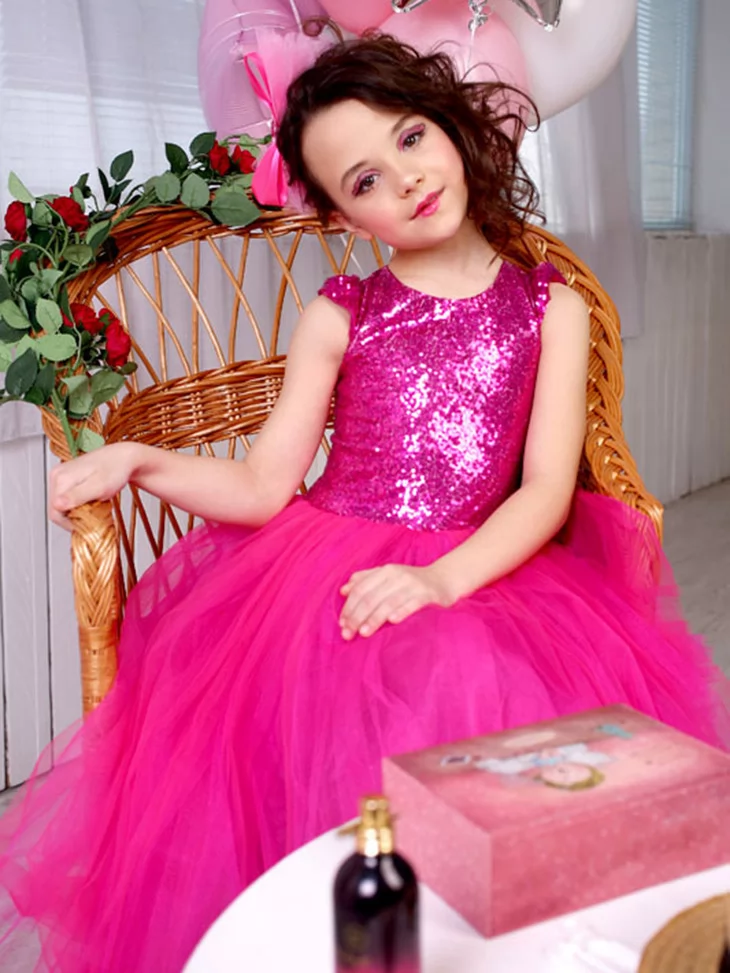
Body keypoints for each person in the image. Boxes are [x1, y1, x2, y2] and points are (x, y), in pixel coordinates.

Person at [0, 33, 727, 973]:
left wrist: (443, 580)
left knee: (468, 680)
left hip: (481, 559)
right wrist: (138, 459)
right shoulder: (341, 313)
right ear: (345, 216)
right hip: (325, 569)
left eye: (412, 138)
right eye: (367, 180)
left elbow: (548, 489)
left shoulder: (554, 307)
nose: (408, 178)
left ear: (453, 127)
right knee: (332, 717)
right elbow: (262, 486)